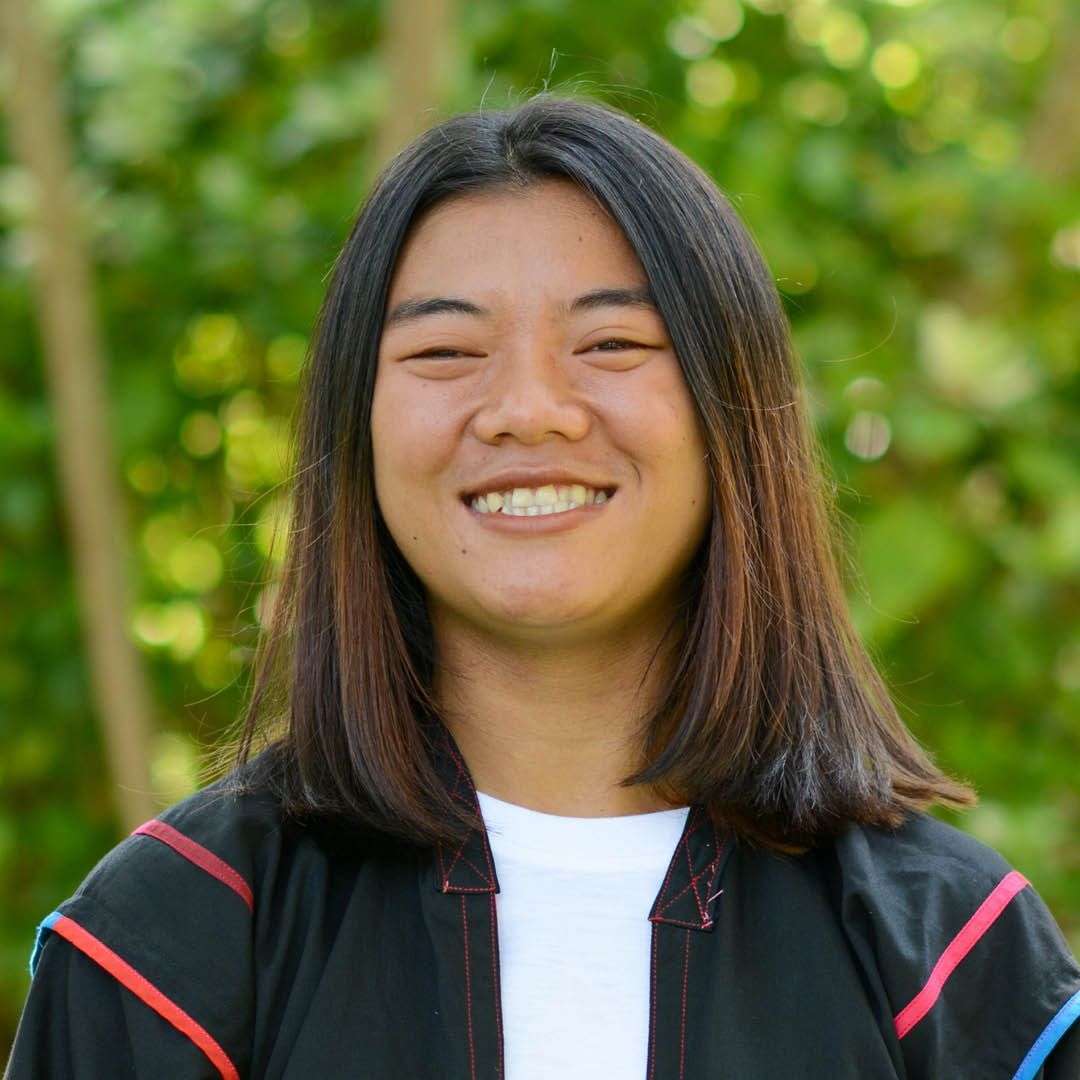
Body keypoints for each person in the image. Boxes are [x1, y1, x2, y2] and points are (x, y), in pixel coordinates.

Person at [6, 96, 1079, 1080]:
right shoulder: (175, 944)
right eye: (444, 350)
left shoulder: (951, 963)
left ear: (732, 416)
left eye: (612, 342)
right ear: (356, 430)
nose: (528, 408)